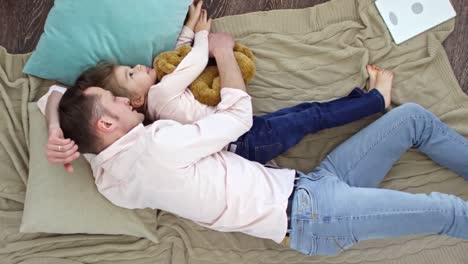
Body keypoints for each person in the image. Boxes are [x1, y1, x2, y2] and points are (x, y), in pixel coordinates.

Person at [56, 32, 468, 256]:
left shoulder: (108, 177)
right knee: (449, 213)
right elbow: (238, 119)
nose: (128, 101)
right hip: (316, 215)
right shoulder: (157, 144)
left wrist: (58, 136)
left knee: (411, 119)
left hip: (313, 186)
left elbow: (53, 98)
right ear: (108, 122)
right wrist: (220, 50)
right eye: (115, 101)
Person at [39, 1, 390, 171]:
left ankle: (360, 101)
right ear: (136, 99)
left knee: (307, 114)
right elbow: (189, 62)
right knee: (312, 116)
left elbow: (176, 56)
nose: (140, 66)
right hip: (246, 139)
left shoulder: (155, 101)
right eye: (132, 75)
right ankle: (376, 101)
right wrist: (205, 39)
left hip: (238, 140)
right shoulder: (161, 95)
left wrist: (190, 26)